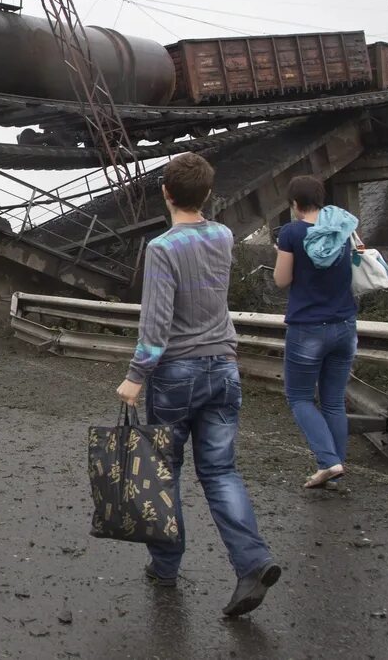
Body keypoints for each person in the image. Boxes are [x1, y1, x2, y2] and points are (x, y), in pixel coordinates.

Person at [114, 152, 280, 617]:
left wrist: (135, 377)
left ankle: (165, 566)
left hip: (176, 375)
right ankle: (253, 562)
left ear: (165, 192)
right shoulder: (224, 236)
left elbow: (157, 323)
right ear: (207, 194)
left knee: (164, 472)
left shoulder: (163, 249)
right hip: (223, 368)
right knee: (222, 472)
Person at [273, 175, 359, 489]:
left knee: (299, 398)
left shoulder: (292, 232)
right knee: (334, 401)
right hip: (345, 325)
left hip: (308, 328)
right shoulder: (341, 228)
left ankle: (328, 461)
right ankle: (335, 465)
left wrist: (282, 252)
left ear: (294, 204)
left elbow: (281, 280)